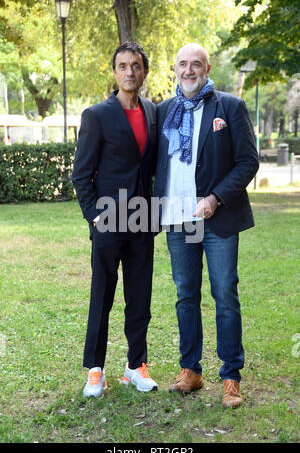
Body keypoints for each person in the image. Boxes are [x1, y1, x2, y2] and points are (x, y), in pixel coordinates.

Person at [154, 43, 259, 407]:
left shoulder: (229, 106)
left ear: (207, 67)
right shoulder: (164, 111)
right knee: (185, 295)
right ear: (175, 67)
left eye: (195, 64)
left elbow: (248, 162)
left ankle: (230, 377)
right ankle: (191, 371)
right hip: (178, 220)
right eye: (182, 64)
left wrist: (215, 198)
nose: (188, 70)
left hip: (218, 218)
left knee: (225, 294)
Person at [72, 41, 158, 398]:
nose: (129, 72)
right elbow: (81, 174)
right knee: (102, 295)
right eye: (122, 66)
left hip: (143, 220)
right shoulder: (97, 115)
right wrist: (94, 216)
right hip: (107, 221)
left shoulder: (154, 111)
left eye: (135, 66)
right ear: (114, 71)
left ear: (144, 72)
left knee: (140, 296)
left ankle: (136, 366)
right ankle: (95, 369)